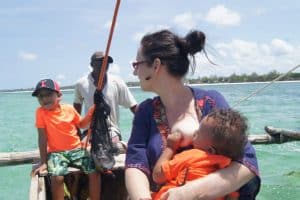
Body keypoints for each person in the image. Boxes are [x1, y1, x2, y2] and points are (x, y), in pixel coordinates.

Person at [125, 29, 260, 200]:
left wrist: (188, 192)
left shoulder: (211, 101)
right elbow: (136, 164)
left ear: (156, 66)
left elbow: (247, 162)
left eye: (137, 65)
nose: (135, 72)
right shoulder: (145, 111)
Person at [152, 108, 248, 200]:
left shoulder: (192, 156)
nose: (194, 132)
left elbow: (158, 176)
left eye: (198, 133)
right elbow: (232, 196)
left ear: (210, 150)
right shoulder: (228, 170)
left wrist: (170, 147)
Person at [31, 79, 100, 200]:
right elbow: (42, 138)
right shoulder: (40, 112)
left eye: (48, 94)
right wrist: (43, 162)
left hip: (77, 150)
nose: (44, 99)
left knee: (94, 173)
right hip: (56, 153)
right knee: (57, 178)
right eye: (40, 96)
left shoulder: (69, 108)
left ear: (59, 95)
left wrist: (91, 113)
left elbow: (82, 125)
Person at [73, 51, 138, 142]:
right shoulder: (81, 84)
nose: (104, 64)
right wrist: (77, 131)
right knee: (86, 149)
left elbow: (133, 105)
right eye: (100, 61)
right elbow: (76, 109)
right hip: (90, 130)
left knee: (113, 145)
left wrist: (148, 123)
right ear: (92, 64)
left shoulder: (117, 81)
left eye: (106, 62)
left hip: (112, 130)